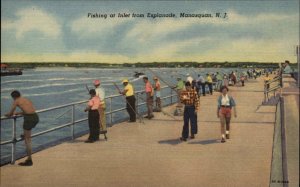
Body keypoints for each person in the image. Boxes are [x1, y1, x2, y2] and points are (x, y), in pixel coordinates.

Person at [5, 90, 39, 166]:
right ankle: (24, 135)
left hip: (29, 119)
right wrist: (19, 113)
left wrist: (8, 114)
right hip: (35, 117)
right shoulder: (25, 99)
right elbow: (29, 110)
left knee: (28, 140)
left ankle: (29, 160)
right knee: (27, 134)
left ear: (13, 97)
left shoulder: (16, 101)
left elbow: (10, 114)